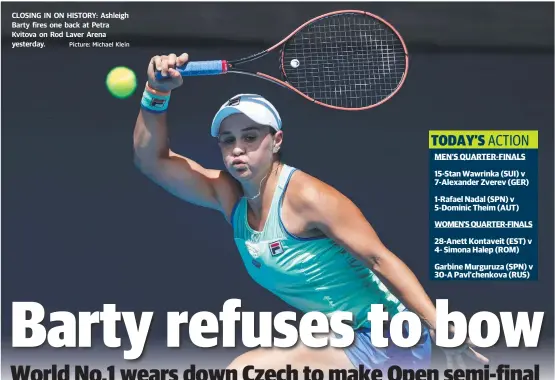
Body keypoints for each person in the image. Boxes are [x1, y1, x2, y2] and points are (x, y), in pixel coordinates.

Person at [133, 52, 488, 373]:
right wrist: (156, 91)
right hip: (339, 339)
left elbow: (381, 260)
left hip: (388, 338)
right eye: (228, 140)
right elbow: (152, 161)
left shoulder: (309, 197)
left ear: (277, 141)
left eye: (250, 137)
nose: (238, 149)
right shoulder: (229, 195)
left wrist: (444, 330)